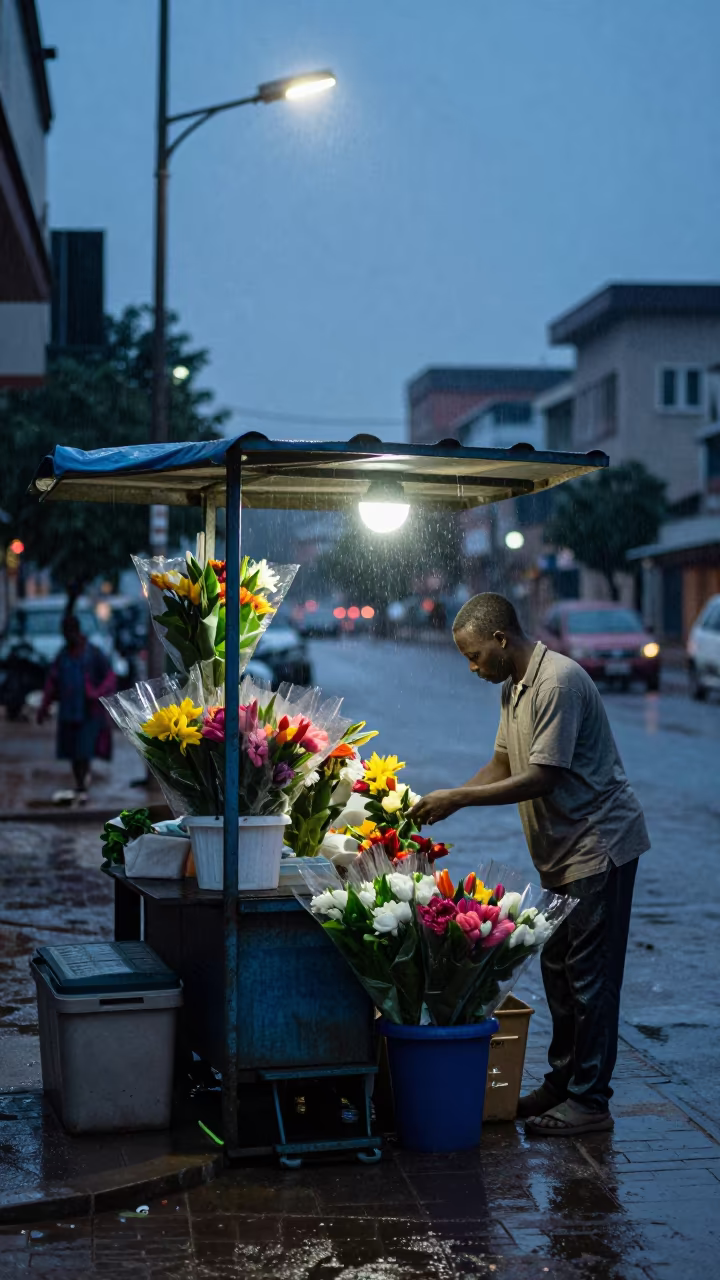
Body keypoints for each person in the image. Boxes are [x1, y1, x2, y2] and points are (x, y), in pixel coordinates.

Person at [408, 592, 649, 1137]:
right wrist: (442, 802)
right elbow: (502, 762)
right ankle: (562, 1084)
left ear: (501, 640)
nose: (472, 668)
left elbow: (545, 776)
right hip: (560, 854)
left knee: (591, 980)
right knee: (558, 971)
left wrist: (459, 800)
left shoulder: (557, 682)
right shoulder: (513, 685)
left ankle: (590, 1101)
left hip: (598, 847)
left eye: (474, 656)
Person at [37, 614, 116, 802]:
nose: (68, 636)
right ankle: (80, 784)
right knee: (72, 752)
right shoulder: (63, 655)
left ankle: (82, 785)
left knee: (84, 750)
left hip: (89, 713)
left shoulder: (93, 653)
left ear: (77, 631)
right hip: (69, 712)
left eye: (70, 631)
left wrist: (97, 693)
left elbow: (110, 677)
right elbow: (52, 683)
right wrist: (44, 708)